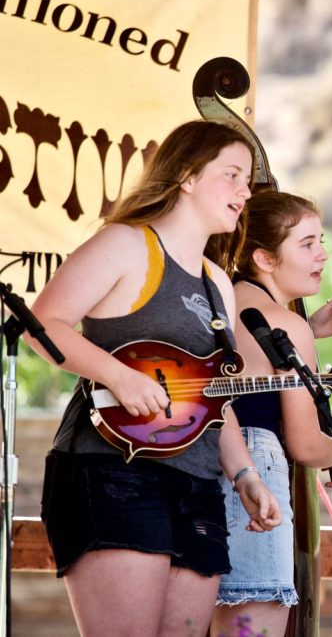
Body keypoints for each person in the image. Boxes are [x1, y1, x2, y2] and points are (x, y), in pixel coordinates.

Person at [28, 120, 282, 636]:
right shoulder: (127, 243)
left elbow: (215, 398)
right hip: (112, 469)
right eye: (231, 174)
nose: (244, 191)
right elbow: (42, 327)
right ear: (187, 176)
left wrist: (247, 476)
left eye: (247, 179)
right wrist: (119, 376)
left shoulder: (218, 284)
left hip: (199, 481)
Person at [210, 190, 332, 637]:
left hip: (204, 466)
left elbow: (245, 373)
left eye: (321, 241)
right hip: (254, 469)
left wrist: (309, 331)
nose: (323, 255)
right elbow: (305, 443)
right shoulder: (284, 324)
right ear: (265, 259)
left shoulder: (220, 302)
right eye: (307, 244)